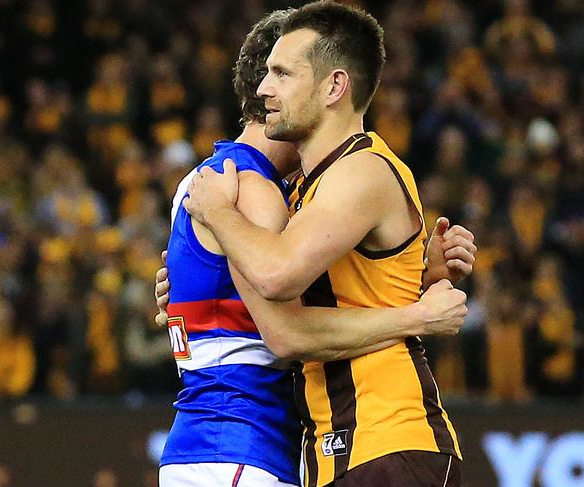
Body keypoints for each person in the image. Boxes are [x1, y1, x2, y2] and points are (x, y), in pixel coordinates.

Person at [182, 3, 473, 486]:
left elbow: (277, 278)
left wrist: (218, 214)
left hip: (389, 443)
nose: (263, 89)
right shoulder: (307, 189)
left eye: (282, 73)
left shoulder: (361, 172)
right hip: (334, 449)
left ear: (335, 86)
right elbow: (344, 290)